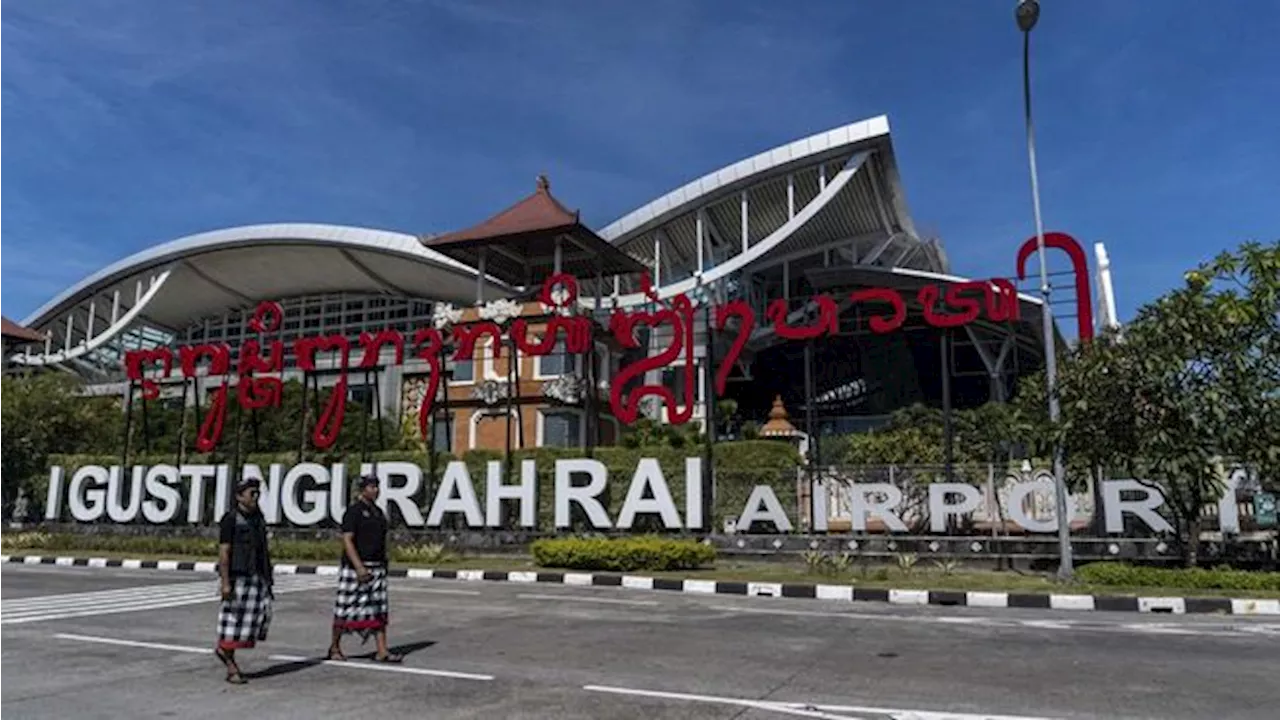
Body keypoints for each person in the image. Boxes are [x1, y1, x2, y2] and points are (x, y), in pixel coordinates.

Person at [329, 474, 403, 663]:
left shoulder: (378, 512)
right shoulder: (353, 512)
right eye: (371, 486)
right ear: (362, 489)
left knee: (378, 610)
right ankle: (335, 647)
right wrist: (359, 567)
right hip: (356, 568)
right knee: (345, 609)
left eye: (377, 486)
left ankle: (382, 650)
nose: (375, 490)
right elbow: (347, 539)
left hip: (377, 566)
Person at [214, 477, 273, 684]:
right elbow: (224, 552)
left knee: (256, 620)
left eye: (257, 493)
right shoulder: (231, 519)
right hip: (237, 578)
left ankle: (227, 655)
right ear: (239, 496)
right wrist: (225, 582)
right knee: (232, 623)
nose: (255, 497)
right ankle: (230, 665)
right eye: (251, 493)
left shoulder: (258, 517)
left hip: (257, 577)